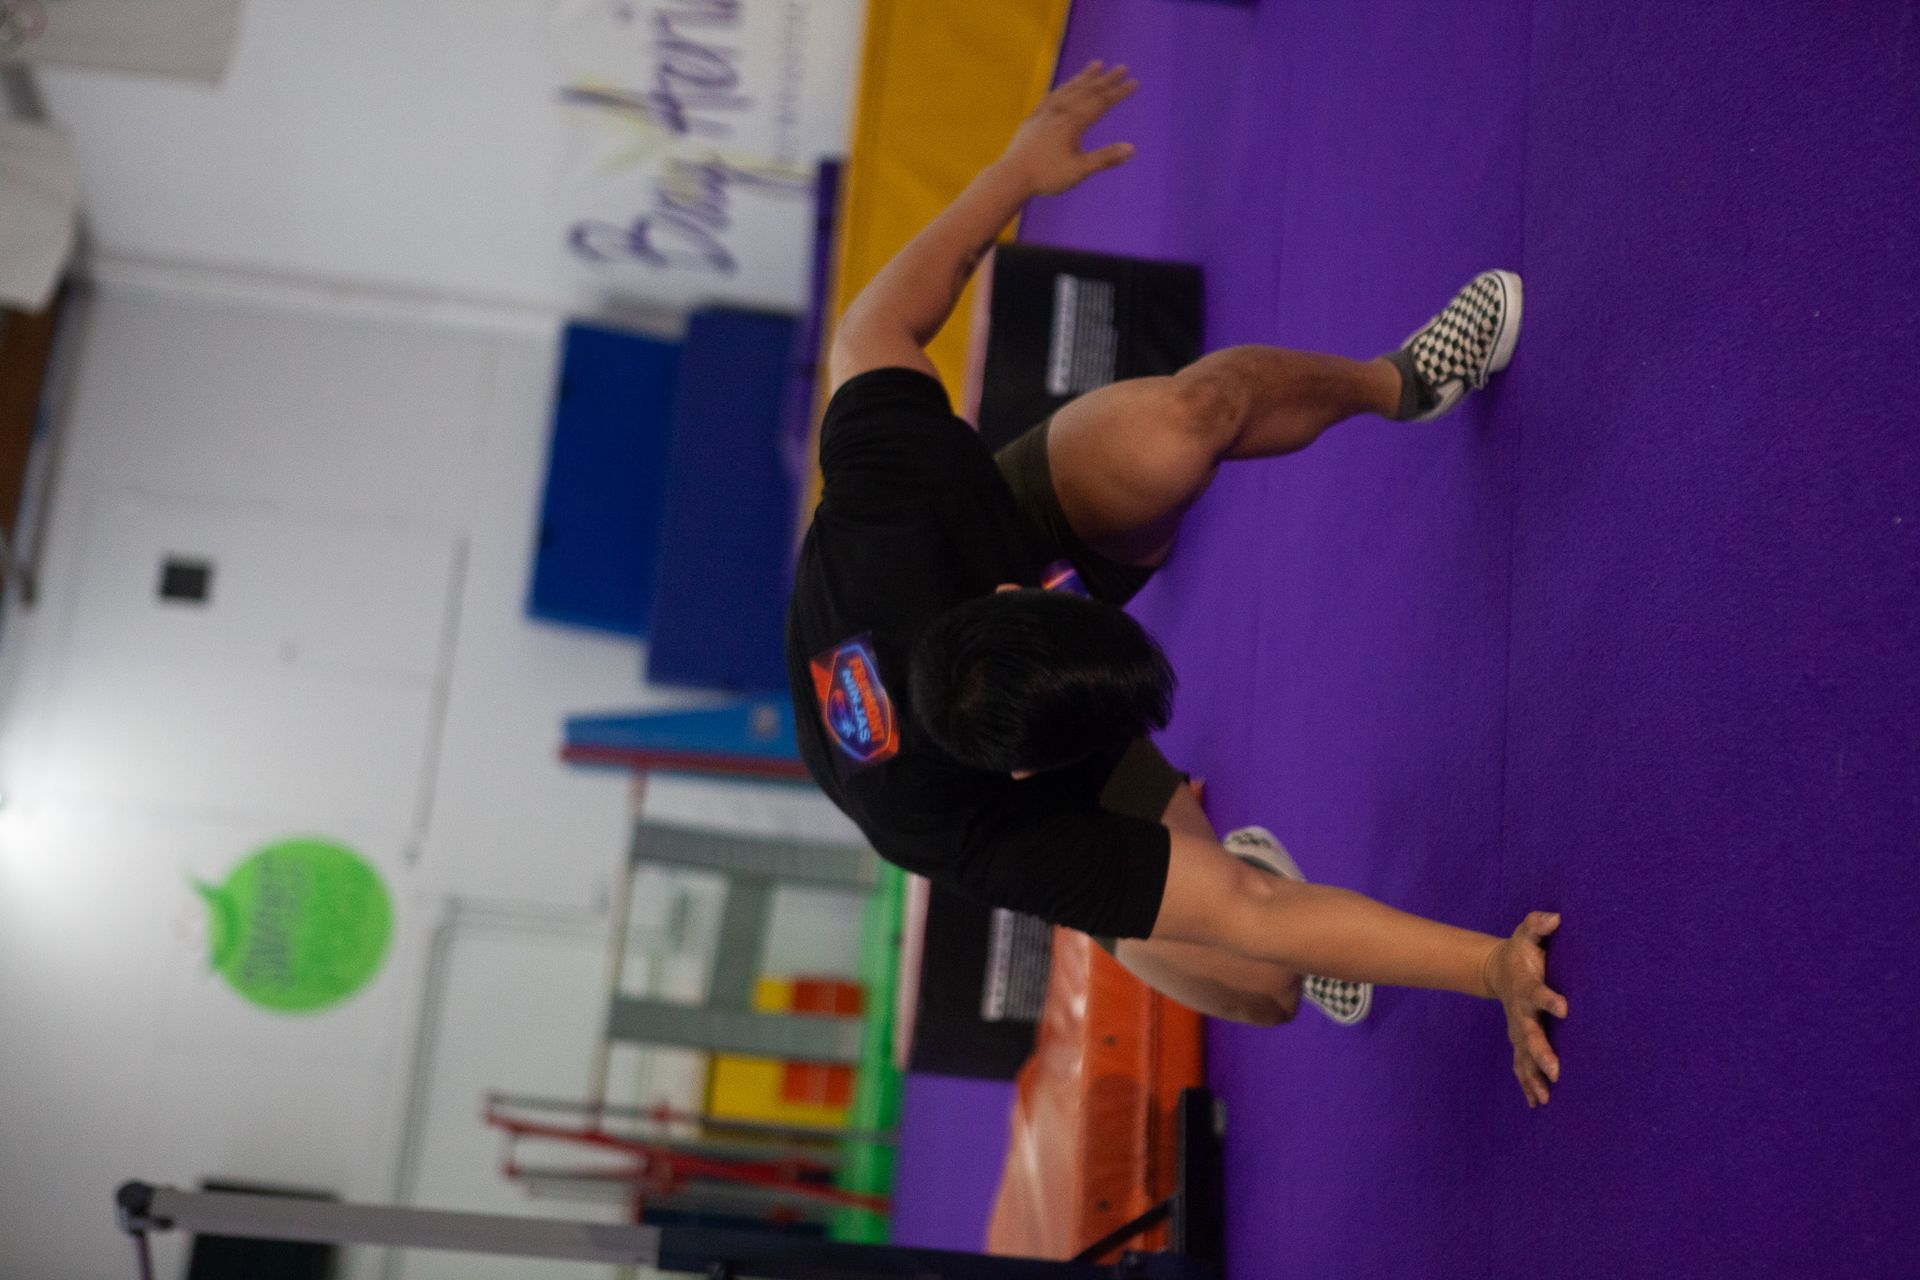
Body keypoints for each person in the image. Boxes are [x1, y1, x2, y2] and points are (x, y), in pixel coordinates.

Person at [786, 62, 1567, 1107]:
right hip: (1006, 774)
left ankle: (1403, 383)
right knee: (1264, 982)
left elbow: (867, 329)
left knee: (1184, 421)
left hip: (981, 552)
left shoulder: (901, 497)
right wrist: (1490, 966)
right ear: (1036, 777)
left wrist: (1015, 171)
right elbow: (1252, 908)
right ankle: (1131, 916)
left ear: (1022, 595)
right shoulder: (980, 829)